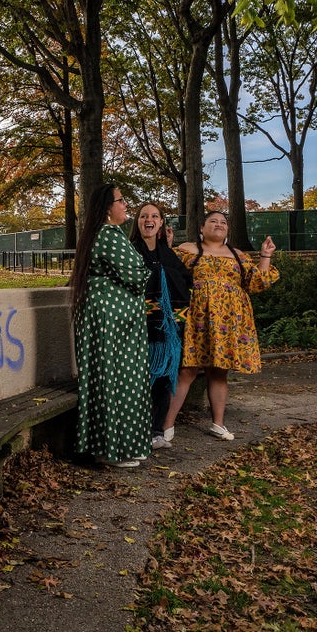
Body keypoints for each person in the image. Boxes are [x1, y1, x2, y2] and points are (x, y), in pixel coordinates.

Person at [161, 210, 278, 441]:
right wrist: (167, 246)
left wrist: (265, 256)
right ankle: (165, 426)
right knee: (187, 370)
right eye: (213, 221)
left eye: (223, 222)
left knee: (219, 371)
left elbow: (257, 283)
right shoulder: (188, 250)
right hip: (198, 318)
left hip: (229, 321)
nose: (219, 224)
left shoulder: (238, 255)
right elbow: (168, 273)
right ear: (201, 228)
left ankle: (218, 423)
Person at [70, 184, 152, 468]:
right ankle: (110, 449)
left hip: (109, 320)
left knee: (114, 379)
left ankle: (121, 446)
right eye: (121, 200)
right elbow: (136, 275)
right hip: (112, 322)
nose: (126, 204)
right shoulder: (109, 235)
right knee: (118, 380)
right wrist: (143, 271)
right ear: (107, 207)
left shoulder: (100, 235)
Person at [129, 203, 192, 451]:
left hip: (167, 330)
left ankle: (156, 431)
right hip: (139, 327)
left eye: (154, 216)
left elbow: (186, 279)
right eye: (144, 215)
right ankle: (135, 430)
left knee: (164, 378)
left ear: (161, 223)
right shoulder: (131, 251)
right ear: (137, 222)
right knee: (140, 379)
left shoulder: (168, 254)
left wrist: (163, 270)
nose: (148, 219)